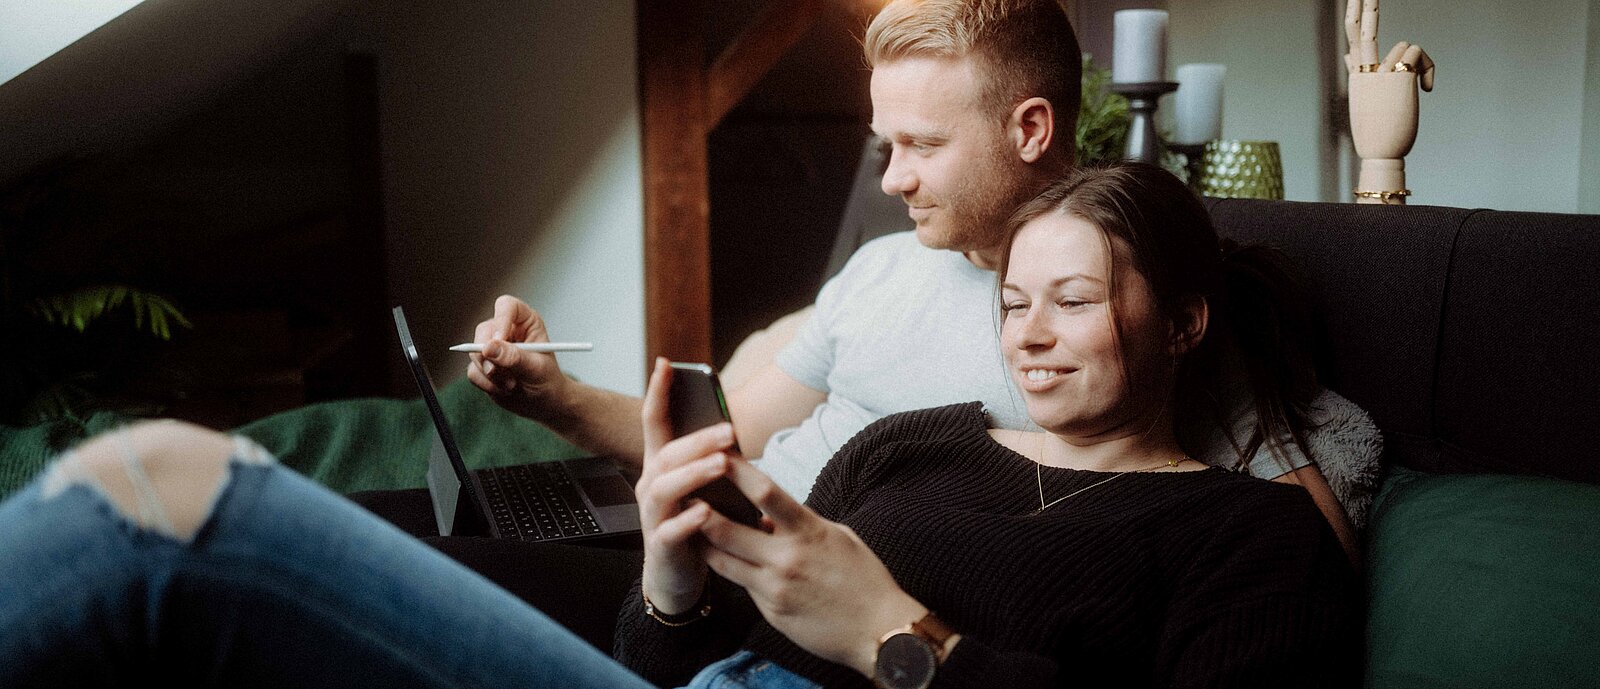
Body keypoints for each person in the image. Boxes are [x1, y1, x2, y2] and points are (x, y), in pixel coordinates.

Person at [0, 163, 1360, 688]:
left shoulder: (1244, 536)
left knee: (163, 487)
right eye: (1017, 300)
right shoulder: (925, 440)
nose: (1033, 330)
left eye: (1075, 298)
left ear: (1182, 322)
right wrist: (667, 577)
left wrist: (905, 640)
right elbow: (662, 656)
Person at [452, 0, 1360, 552]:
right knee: (420, 525)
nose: (891, 180)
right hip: (687, 540)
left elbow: (1297, 537)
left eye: (923, 146)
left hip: (783, 594)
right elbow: (720, 435)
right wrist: (554, 396)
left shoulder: (1108, 322)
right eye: (887, 146)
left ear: (1032, 131)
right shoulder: (882, 267)